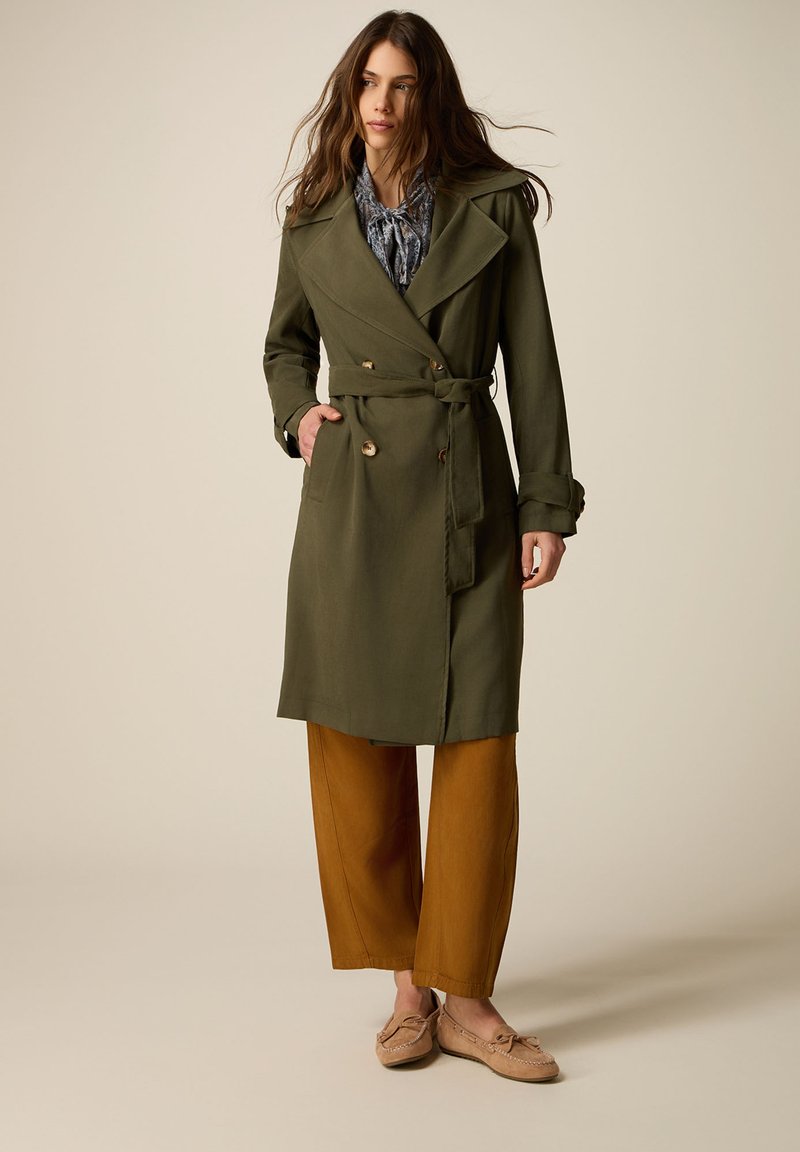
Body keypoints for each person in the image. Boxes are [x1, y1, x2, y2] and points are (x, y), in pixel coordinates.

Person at [263, 10, 586, 1082]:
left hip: (465, 495)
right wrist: (298, 415)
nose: (383, 103)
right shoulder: (313, 214)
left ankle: (468, 999)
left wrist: (545, 503)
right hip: (353, 506)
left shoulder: (492, 205)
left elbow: (532, 360)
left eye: (403, 84)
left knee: (478, 745)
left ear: (429, 94)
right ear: (348, 91)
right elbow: (284, 344)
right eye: (369, 81)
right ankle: (409, 989)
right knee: (357, 744)